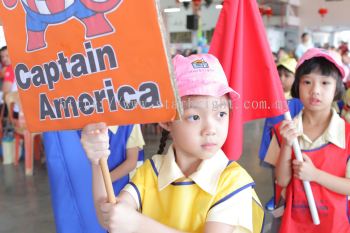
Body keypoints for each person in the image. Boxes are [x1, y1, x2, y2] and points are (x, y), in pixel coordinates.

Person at [80, 54, 264, 233]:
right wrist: (98, 162)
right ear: (167, 122)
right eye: (195, 117)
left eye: (221, 114)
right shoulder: (150, 172)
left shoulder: (233, 181)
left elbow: (131, 223)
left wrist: (138, 226)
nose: (211, 129)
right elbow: (109, 218)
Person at [270, 48, 350, 232]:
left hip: (334, 225)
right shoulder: (284, 130)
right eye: (307, 82)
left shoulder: (347, 135)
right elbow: (281, 180)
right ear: (297, 85)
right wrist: (287, 145)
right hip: (293, 225)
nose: (315, 91)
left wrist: (315, 175)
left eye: (324, 83)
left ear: (337, 88)